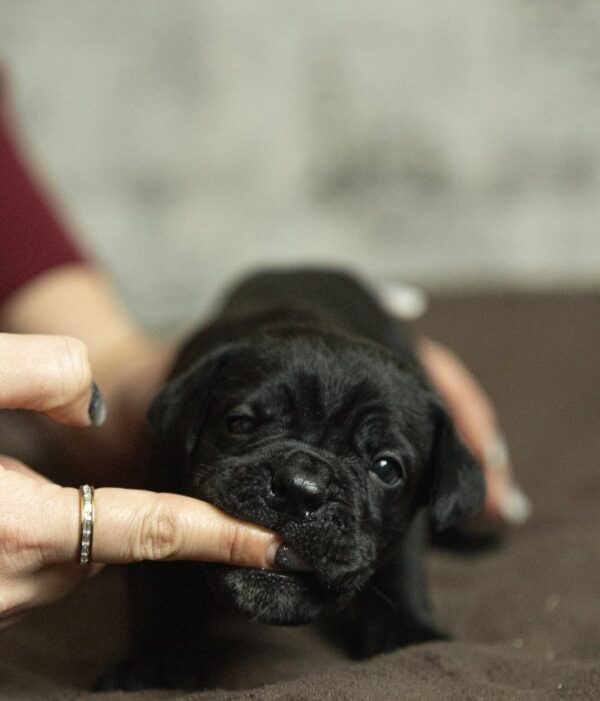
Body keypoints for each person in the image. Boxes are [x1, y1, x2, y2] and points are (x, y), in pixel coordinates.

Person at [0, 82, 529, 625]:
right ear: (192, 409)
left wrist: (401, 615)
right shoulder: (196, 387)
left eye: (386, 467)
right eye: (243, 423)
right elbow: (157, 470)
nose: (303, 486)